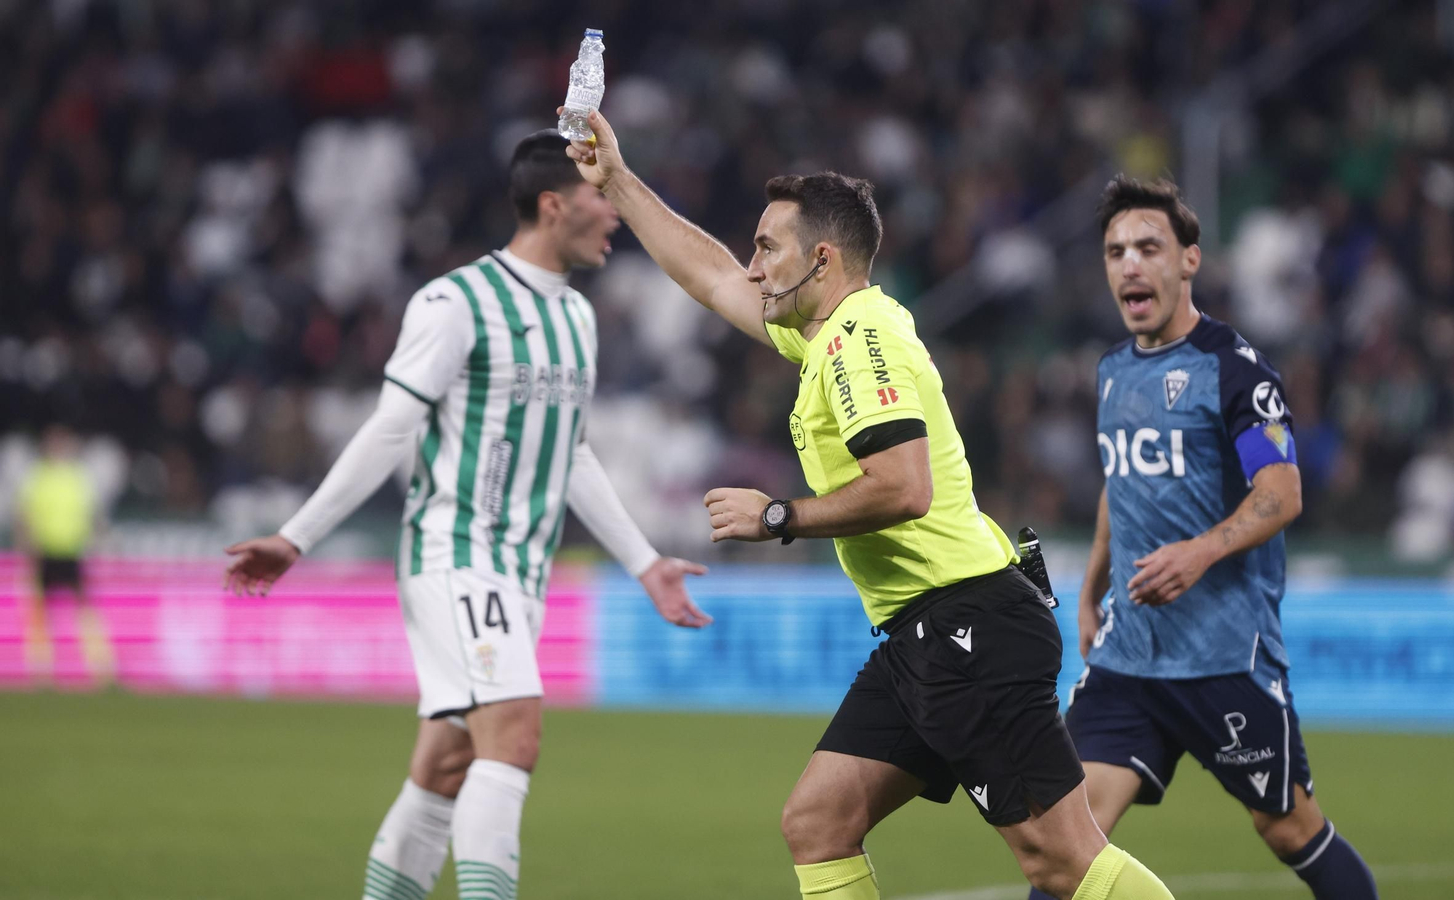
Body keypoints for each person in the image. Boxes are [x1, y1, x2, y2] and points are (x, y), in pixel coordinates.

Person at [564, 109, 1171, 900]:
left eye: (767, 248)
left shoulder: (859, 338)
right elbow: (707, 275)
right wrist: (616, 178)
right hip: (925, 630)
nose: (751, 267)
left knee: (1061, 859)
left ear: (822, 259)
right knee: (817, 822)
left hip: (969, 622)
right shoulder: (826, 335)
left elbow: (904, 486)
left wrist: (777, 516)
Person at [223, 130, 713, 900]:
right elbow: (390, 427)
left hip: (520, 574)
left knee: (446, 764)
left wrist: (644, 562)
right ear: (554, 206)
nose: (616, 215)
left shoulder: (579, 320)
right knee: (514, 733)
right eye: (601, 197)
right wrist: (297, 537)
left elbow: (571, 452)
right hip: (455, 554)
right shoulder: (455, 304)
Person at [1031, 175, 1379, 900]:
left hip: (1224, 656)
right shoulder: (1111, 372)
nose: (1130, 264)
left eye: (1149, 247)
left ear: (1189, 260)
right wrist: (1092, 590)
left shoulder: (1234, 371)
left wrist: (1201, 551)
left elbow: (1281, 495)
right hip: (1130, 656)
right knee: (1067, 842)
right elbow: (1120, 486)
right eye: (1115, 250)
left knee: (1288, 829)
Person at [16, 423, 115, 687]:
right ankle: (41, 669)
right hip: (45, 551)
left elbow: (92, 513)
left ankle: (101, 668)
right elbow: (25, 514)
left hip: (72, 552)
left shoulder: (77, 476)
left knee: (84, 610)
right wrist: (27, 545)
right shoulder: (39, 476)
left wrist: (97, 540)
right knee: (40, 612)